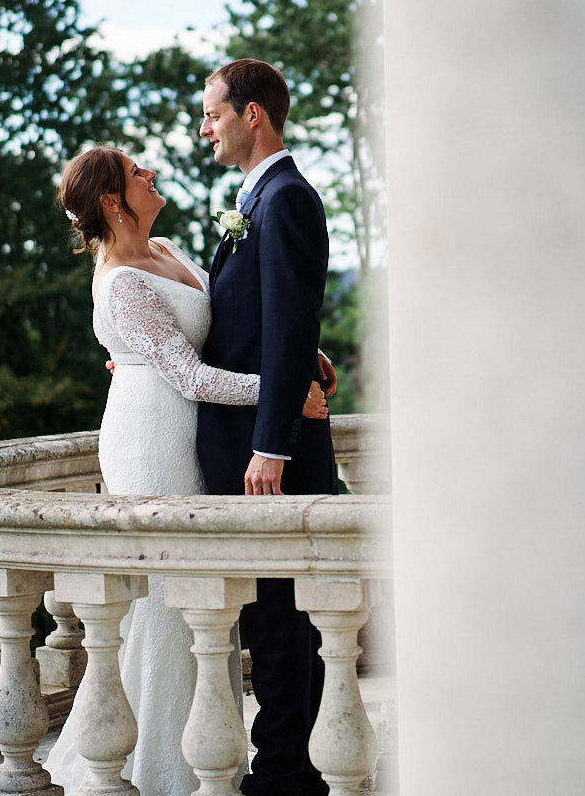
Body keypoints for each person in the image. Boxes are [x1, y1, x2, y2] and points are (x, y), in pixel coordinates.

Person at [40, 146, 328, 796]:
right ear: (112, 201)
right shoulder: (122, 281)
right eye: (136, 173)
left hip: (192, 425)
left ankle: (207, 751)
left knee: (205, 598)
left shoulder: (165, 248)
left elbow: (229, 323)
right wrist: (284, 394)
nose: (151, 174)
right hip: (153, 440)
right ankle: (159, 768)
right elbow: (191, 376)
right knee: (172, 601)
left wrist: (304, 358)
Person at [195, 59, 338, 796]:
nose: (205, 128)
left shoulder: (286, 199)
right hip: (255, 442)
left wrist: (270, 445)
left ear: (253, 114)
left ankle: (284, 777)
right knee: (271, 618)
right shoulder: (259, 197)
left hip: (270, 455)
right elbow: (263, 323)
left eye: (212, 113)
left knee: (282, 624)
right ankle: (287, 767)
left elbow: (287, 323)